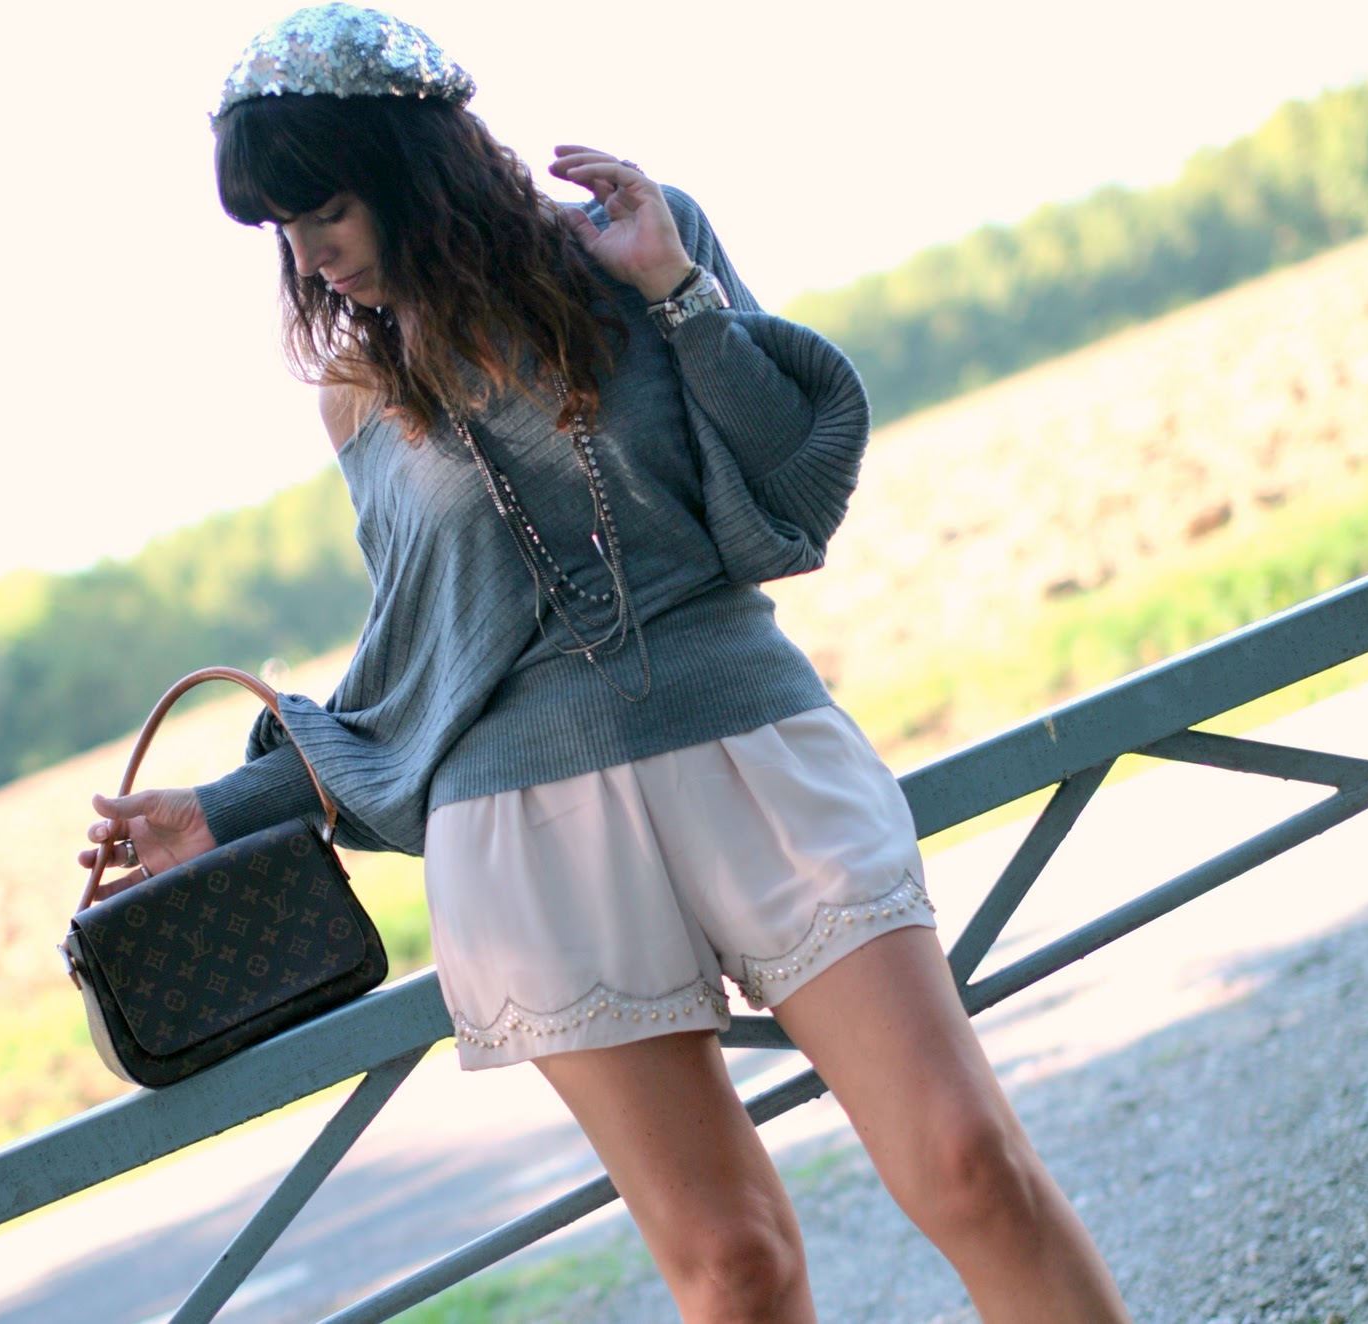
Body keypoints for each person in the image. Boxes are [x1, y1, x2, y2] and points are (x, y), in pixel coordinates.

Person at [80, 6, 1132, 1320]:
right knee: (732, 1266)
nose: (311, 255)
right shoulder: (358, 390)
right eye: (283, 230)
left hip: (754, 751)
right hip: (528, 829)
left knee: (971, 1165)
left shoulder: (638, 242)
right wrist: (229, 810)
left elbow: (788, 497)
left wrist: (676, 292)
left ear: (417, 167)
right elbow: (426, 663)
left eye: (328, 209)